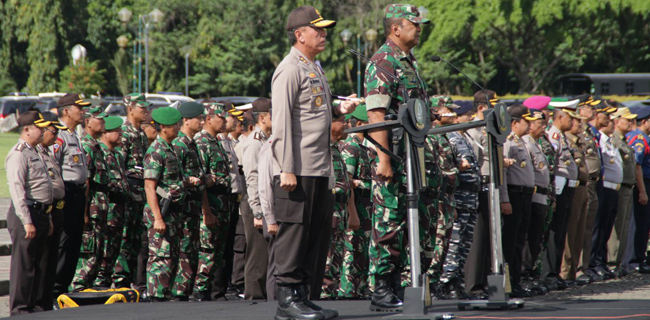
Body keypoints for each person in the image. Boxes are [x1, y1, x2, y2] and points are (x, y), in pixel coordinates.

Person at [272, 5, 357, 320]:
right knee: (294, 234)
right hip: (299, 168)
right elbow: (281, 124)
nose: (323, 34)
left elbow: (315, 111)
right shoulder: (289, 69)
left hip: (320, 166)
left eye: (324, 30)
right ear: (299, 34)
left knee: (315, 234)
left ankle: (303, 296)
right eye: (317, 29)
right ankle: (287, 300)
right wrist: (286, 167)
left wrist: (340, 110)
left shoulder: (314, 66)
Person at [363, 4, 429, 311]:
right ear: (395, 29)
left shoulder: (407, 61)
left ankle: (406, 285)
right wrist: (385, 159)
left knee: (412, 222)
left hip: (413, 155)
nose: (419, 28)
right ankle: (382, 290)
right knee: (389, 222)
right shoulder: (383, 61)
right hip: (394, 156)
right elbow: (377, 114)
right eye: (414, 24)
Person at [6, 111, 53, 315]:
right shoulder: (18, 153)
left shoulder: (35, 152)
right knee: (24, 266)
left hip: (41, 213)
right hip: (27, 214)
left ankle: (36, 306)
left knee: (40, 265)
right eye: (39, 127)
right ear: (26, 130)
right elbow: (17, 190)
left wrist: (48, 217)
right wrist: (27, 221)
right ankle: (21, 309)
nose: (43, 131)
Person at [171, 101, 214, 301]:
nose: (202, 121)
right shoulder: (179, 145)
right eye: (199, 118)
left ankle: (185, 293)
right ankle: (179, 293)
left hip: (194, 209)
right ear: (186, 121)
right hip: (183, 210)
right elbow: (173, 179)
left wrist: (206, 209)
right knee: (184, 252)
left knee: (191, 252)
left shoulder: (191, 143)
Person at [143, 106, 185, 301]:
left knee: (171, 257)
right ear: (164, 128)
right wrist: (158, 218)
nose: (177, 127)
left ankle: (164, 296)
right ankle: (156, 297)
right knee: (160, 257)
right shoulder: (156, 151)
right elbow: (150, 187)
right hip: (161, 212)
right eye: (173, 125)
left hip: (173, 212)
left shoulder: (171, 149)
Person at [439, 100, 480, 299]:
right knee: (454, 244)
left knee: (464, 243)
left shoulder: (463, 137)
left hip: (470, 198)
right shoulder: (450, 137)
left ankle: (458, 281)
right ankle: (448, 283)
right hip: (459, 197)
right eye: (465, 115)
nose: (469, 117)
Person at [499, 105, 541, 297]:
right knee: (511, 242)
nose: (530, 124)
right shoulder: (509, 142)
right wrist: (504, 199)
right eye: (526, 121)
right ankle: (509, 283)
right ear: (515, 123)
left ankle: (516, 281)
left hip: (525, 195)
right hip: (514, 195)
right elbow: (503, 172)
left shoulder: (521, 141)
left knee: (519, 241)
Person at [52, 93, 90, 298]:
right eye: (79, 107)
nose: (82, 111)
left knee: (75, 243)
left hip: (78, 194)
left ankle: (64, 289)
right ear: (66, 110)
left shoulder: (75, 134)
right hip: (66, 193)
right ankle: (56, 289)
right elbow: (53, 167)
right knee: (64, 244)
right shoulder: (59, 135)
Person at [193, 102, 232, 301]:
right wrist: (207, 211)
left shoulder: (216, 141)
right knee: (207, 251)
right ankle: (200, 291)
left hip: (223, 205)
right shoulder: (201, 142)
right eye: (221, 117)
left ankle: (212, 291)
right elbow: (200, 182)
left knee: (218, 253)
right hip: (211, 206)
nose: (225, 120)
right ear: (209, 118)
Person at [115, 93, 152, 295]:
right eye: (142, 108)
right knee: (126, 240)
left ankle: (136, 286)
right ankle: (121, 283)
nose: (146, 111)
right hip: (129, 196)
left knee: (138, 241)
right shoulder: (125, 133)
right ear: (130, 110)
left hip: (140, 198)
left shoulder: (141, 134)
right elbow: (120, 167)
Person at [464, 90, 499, 299]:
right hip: (481, 187)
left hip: (492, 187)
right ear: (481, 108)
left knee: (489, 239)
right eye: (492, 106)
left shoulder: (489, 129)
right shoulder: (473, 131)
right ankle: (473, 285)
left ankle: (485, 283)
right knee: (478, 239)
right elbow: (474, 163)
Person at [542, 104, 579, 290]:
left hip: (567, 187)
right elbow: (553, 165)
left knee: (561, 231)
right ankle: (549, 273)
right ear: (560, 118)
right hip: (559, 187)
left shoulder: (561, 136)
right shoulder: (554, 136)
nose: (572, 122)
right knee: (554, 231)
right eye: (569, 118)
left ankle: (555, 272)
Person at [321, 115, 357, 299]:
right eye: (341, 121)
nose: (346, 124)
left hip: (340, 212)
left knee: (336, 258)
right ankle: (322, 296)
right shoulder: (322, 149)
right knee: (326, 259)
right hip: (329, 212)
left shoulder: (336, 149)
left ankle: (331, 294)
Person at [339, 105, 373, 299]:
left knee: (361, 251)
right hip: (357, 206)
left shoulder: (362, 146)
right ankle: (348, 292)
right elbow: (348, 183)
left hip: (365, 208)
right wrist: (353, 213)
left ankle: (358, 290)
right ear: (360, 124)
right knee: (352, 251)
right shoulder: (352, 146)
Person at [71, 105, 107, 291]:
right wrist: (84, 212)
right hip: (91, 209)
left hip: (99, 209)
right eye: (98, 119)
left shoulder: (96, 145)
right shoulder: (86, 145)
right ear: (87, 122)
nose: (103, 122)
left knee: (98, 252)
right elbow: (86, 182)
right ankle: (77, 290)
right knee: (89, 253)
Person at [35, 112, 67, 311]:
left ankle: (46, 301)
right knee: (43, 259)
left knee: (52, 257)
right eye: (53, 132)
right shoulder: (35, 152)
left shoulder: (48, 152)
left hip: (56, 209)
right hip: (43, 209)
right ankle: (38, 302)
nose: (56, 137)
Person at [242, 98, 273, 300]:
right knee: (258, 255)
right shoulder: (255, 142)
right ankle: (254, 297)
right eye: (273, 115)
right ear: (262, 118)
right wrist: (258, 211)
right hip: (255, 203)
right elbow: (252, 178)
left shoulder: (265, 139)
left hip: (262, 201)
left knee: (265, 255)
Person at [586, 104, 622, 280]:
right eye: (604, 114)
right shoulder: (595, 136)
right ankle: (594, 263)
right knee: (597, 228)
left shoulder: (602, 137)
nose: (609, 119)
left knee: (604, 228)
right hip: (602, 186)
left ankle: (599, 262)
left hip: (609, 187)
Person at [95, 116, 131, 288]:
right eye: (117, 131)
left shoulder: (117, 154)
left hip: (119, 211)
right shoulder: (99, 152)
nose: (121, 135)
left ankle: (107, 284)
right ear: (105, 133)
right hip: (107, 211)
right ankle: (99, 285)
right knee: (104, 252)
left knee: (114, 252)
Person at [560, 102, 590, 284]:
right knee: (569, 233)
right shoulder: (565, 140)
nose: (579, 124)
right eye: (576, 121)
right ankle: (565, 272)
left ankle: (572, 272)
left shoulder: (578, 141)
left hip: (583, 187)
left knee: (579, 233)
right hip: (573, 186)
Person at [576, 95, 604, 283]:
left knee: (589, 228)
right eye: (589, 108)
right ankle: (578, 269)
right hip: (584, 183)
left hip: (594, 182)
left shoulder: (589, 131)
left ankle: (585, 267)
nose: (593, 111)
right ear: (580, 109)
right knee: (581, 227)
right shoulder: (577, 131)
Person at [607, 107, 637, 276]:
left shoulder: (624, 140)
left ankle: (620, 263)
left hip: (628, 187)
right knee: (616, 228)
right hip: (620, 187)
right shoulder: (614, 140)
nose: (631, 123)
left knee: (624, 226)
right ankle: (612, 262)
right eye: (627, 119)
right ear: (617, 121)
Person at [626, 107, 650, 274]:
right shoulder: (640, 139)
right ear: (645, 121)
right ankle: (634, 259)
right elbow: (637, 165)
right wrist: (642, 191)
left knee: (645, 223)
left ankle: (640, 258)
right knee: (639, 223)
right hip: (644, 183)